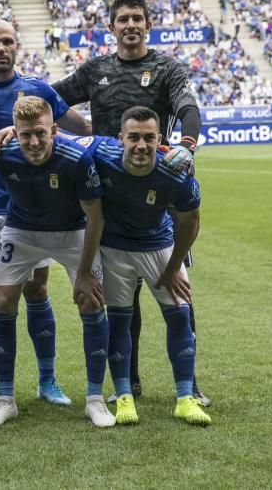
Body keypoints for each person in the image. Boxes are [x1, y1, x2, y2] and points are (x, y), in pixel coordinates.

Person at [51, 0, 209, 405]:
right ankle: (130, 380)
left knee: (178, 288)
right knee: (124, 296)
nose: (130, 25)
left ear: (147, 24)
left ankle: (189, 383)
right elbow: (52, 99)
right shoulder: (96, 69)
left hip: (160, 193)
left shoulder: (166, 68)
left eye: (137, 18)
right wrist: (80, 126)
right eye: (123, 19)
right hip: (109, 191)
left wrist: (186, 148)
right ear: (112, 27)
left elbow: (189, 109)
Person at [0, 20, 91, 408]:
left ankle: (47, 379)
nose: (1, 48)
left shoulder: (38, 89)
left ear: (17, 47)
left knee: (36, 289)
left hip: (32, 211)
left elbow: (75, 126)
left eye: (8, 41)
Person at [0, 96, 112, 427]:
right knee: (4, 300)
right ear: (16, 132)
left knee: (91, 299)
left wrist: (84, 274)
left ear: (54, 129)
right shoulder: (2, 152)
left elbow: (95, 218)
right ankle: (6, 399)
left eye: (40, 133)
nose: (34, 142)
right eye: (25, 135)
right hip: (22, 231)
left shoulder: (77, 158)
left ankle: (95, 399)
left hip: (73, 231)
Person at [84, 106, 211, 426]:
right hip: (115, 251)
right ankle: (124, 398)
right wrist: (7, 132)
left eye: (149, 138)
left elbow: (191, 221)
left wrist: (172, 268)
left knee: (181, 315)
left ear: (160, 140)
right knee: (119, 322)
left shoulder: (175, 173)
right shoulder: (101, 151)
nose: (141, 145)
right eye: (134, 138)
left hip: (160, 248)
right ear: (120, 139)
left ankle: (185, 398)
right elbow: (56, 137)